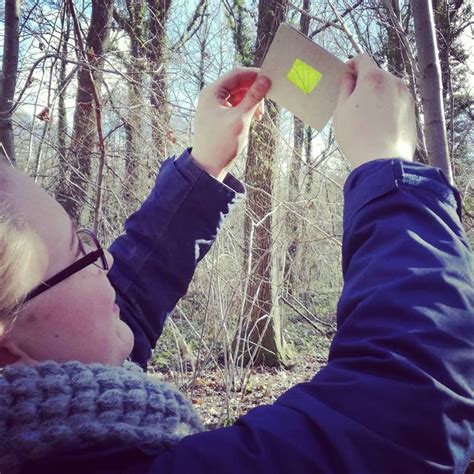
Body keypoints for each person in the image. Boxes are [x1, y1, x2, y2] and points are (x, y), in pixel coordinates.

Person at [0, 54, 472, 474]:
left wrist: (204, 168)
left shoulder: (48, 431)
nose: (102, 258)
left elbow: (115, 308)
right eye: (76, 250)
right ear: (7, 347)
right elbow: (410, 408)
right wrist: (389, 172)